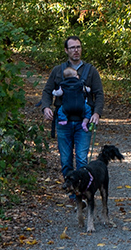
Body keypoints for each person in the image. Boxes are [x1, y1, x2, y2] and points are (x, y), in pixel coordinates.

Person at [40, 37, 103, 187]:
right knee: (66, 159)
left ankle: (81, 191)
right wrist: (46, 107)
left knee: (82, 159)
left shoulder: (90, 71)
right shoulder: (58, 70)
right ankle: (71, 189)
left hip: (84, 122)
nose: (76, 50)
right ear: (66, 50)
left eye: (78, 47)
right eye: (73, 47)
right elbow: (47, 91)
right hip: (63, 122)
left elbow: (99, 93)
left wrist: (96, 113)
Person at [53, 66, 92, 132]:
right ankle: (85, 122)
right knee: (88, 110)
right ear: (74, 76)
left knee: (60, 110)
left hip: (67, 106)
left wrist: (54, 92)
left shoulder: (63, 85)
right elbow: (86, 90)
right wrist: (89, 89)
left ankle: (63, 120)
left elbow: (59, 93)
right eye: (76, 75)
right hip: (80, 105)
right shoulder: (80, 84)